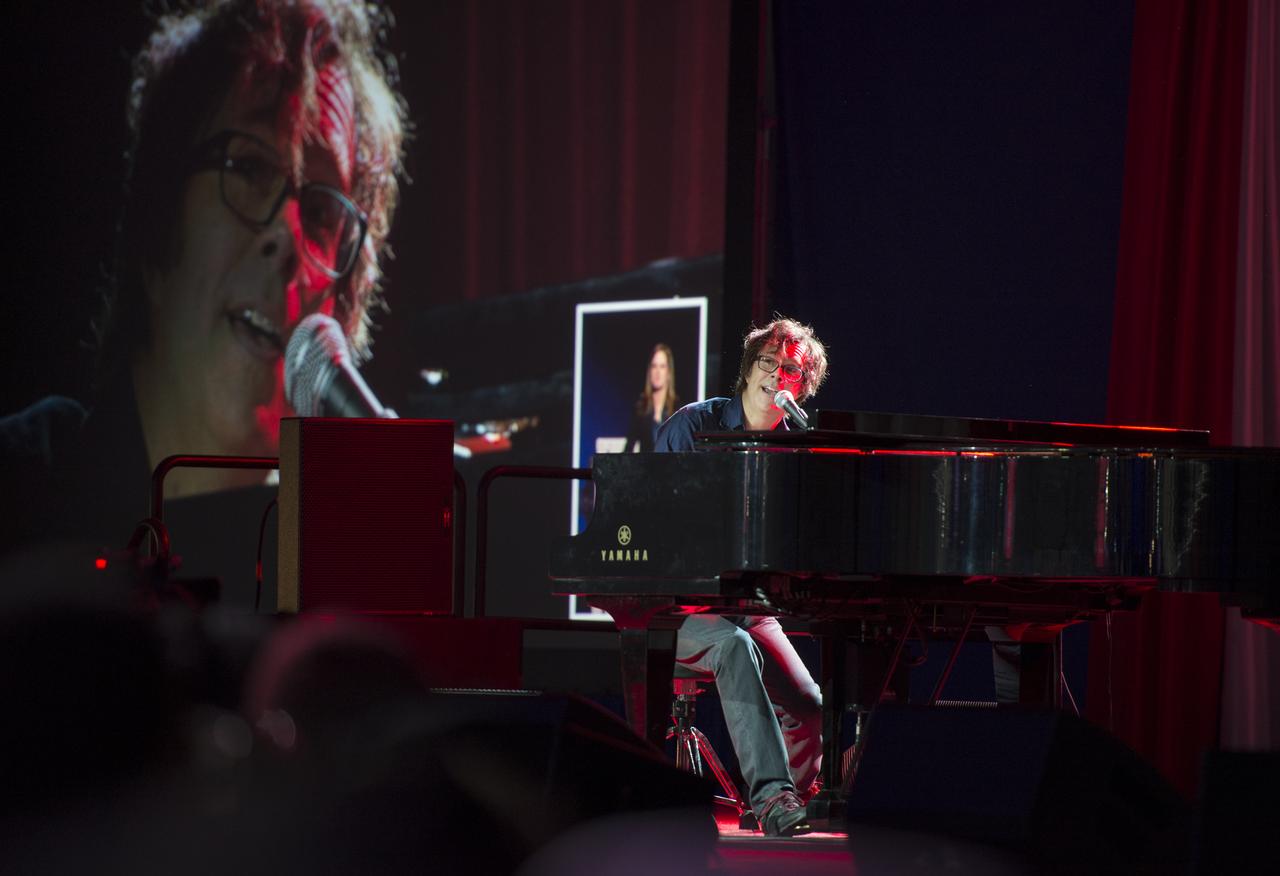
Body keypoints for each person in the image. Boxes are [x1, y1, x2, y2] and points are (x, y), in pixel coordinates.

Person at [0, 0, 407, 556]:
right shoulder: (20, 500)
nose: (287, 236)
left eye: (319, 211)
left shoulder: (345, 566)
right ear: (158, 214)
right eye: (250, 168)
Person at [654, 316, 828, 837]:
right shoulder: (691, 426)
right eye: (767, 362)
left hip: (745, 604)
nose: (776, 374)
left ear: (802, 386)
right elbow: (653, 520)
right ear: (749, 370)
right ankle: (773, 798)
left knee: (810, 705)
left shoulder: (796, 449)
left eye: (790, 369)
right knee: (733, 647)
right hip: (676, 604)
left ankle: (779, 801)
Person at [625, 343, 680, 452]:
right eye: (654, 366)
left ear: (669, 372)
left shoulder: (677, 409)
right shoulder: (640, 408)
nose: (658, 372)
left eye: (662, 366)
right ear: (649, 371)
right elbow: (628, 449)